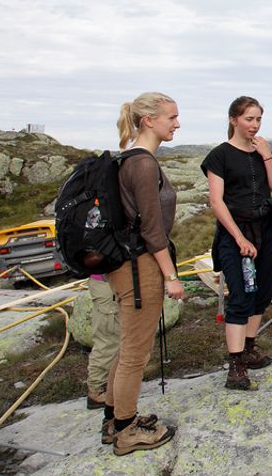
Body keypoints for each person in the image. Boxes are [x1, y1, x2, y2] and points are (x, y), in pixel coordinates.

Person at [103, 92, 185, 455]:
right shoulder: (144, 164)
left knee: (128, 347)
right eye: (172, 117)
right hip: (140, 267)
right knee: (137, 351)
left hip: (128, 265)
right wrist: (171, 276)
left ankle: (113, 418)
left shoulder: (131, 159)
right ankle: (125, 430)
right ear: (149, 120)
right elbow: (152, 231)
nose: (177, 124)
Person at [202, 96, 272, 390]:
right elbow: (216, 201)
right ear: (233, 120)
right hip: (235, 231)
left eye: (258, 119)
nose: (254, 125)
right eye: (249, 119)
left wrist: (267, 155)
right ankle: (235, 365)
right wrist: (238, 238)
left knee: (262, 292)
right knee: (239, 295)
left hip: (267, 229)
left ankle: (249, 349)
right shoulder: (219, 155)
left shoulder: (260, 150)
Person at [85, 274, 120, 409]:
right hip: (107, 283)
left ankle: (112, 383)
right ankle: (97, 390)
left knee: (116, 336)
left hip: (114, 282)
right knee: (108, 339)